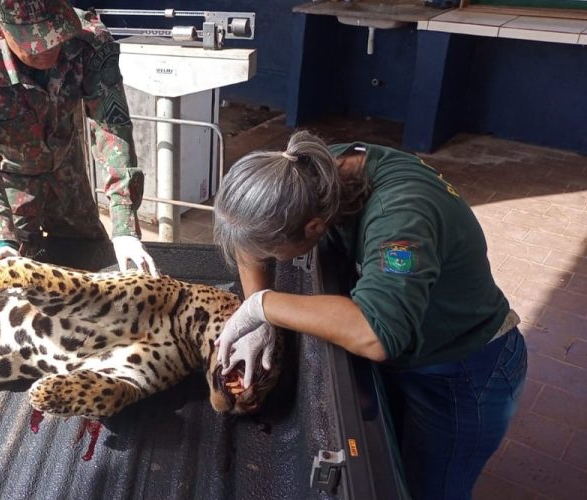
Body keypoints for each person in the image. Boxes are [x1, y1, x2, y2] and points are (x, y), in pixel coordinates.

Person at [213, 131, 527, 499]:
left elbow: (375, 333)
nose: (266, 257)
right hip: (411, 354)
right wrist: (259, 319)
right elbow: (249, 242)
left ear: (313, 227)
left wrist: (261, 306)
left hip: (462, 368)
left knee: (433, 490)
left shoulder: (401, 222)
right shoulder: (303, 177)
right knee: (396, 471)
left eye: (274, 250)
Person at [0, 0, 156, 275]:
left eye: (56, 32)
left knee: (93, 264)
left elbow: (113, 128)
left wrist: (124, 228)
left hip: (68, 173)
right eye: (33, 41)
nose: (49, 46)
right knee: (14, 281)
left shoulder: (89, 41)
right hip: (8, 185)